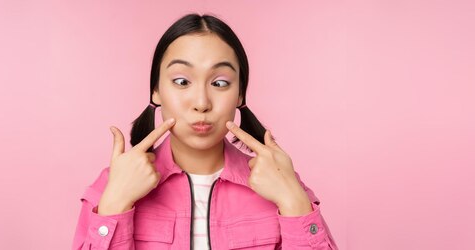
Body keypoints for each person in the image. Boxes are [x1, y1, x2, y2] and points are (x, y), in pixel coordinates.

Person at [72, 13, 338, 250]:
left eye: (220, 83)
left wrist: (293, 202)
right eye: (182, 81)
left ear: (240, 93)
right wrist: (114, 205)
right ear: (156, 90)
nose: (201, 103)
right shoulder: (111, 186)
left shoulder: (281, 181)